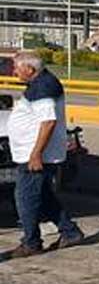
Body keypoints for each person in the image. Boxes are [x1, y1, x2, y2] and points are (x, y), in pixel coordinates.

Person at [6, 52, 83, 258]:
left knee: (25, 198)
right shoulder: (40, 83)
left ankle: (31, 243)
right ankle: (70, 232)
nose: (13, 72)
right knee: (43, 197)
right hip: (34, 153)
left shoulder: (44, 88)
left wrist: (36, 154)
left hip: (36, 156)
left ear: (30, 70)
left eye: (16, 68)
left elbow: (48, 121)